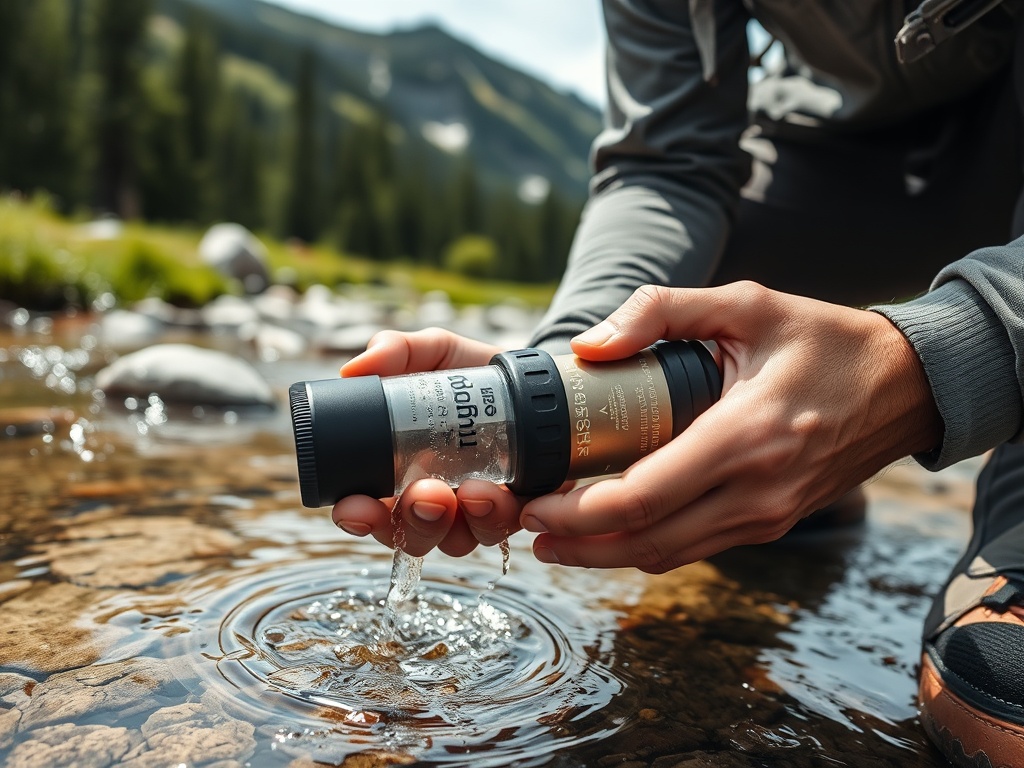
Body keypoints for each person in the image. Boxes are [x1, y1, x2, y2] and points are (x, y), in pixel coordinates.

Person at [333, 1, 1024, 764]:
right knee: (698, 335)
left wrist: (926, 367)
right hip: (849, 168)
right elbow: (667, 163)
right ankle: (791, 483)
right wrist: (566, 374)